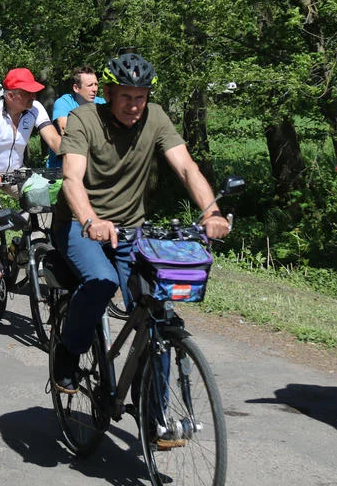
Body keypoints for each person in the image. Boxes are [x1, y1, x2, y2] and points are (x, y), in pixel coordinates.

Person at [51, 51, 230, 402]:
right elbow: (71, 178)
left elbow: (186, 168)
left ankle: (155, 415)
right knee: (101, 282)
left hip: (130, 227)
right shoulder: (83, 118)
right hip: (77, 222)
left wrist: (211, 211)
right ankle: (68, 352)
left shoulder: (156, 118)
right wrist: (91, 219)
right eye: (126, 97)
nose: (133, 105)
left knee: (159, 308)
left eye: (141, 98)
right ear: (110, 94)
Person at [0, 67, 61, 308]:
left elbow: (54, 140)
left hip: (16, 173)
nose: (33, 97)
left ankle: (19, 249)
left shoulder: (34, 109)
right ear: (11, 95)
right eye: (27, 93)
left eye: (34, 92)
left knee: (45, 207)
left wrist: (75, 160)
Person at [46, 66, 106, 168]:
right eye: (90, 85)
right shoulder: (63, 103)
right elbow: (67, 133)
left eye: (96, 84)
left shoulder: (102, 103)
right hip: (61, 167)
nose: (94, 89)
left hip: (94, 166)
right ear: (76, 88)